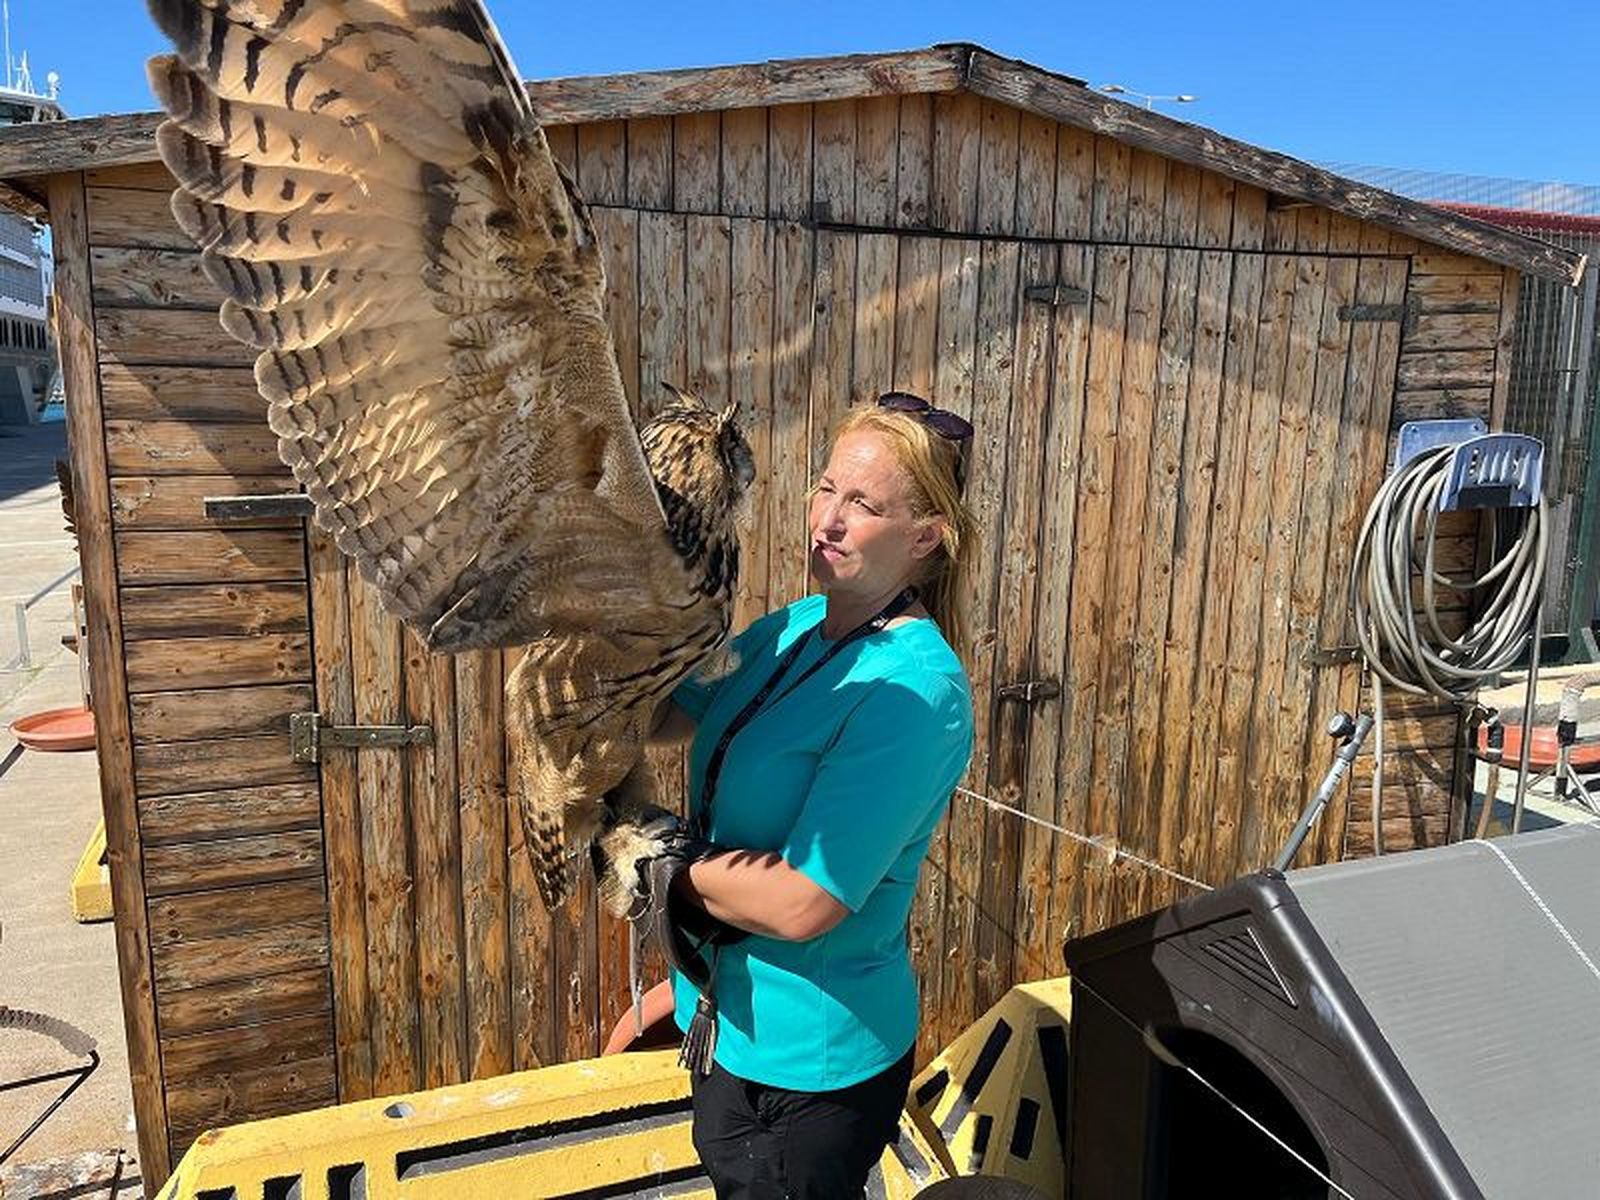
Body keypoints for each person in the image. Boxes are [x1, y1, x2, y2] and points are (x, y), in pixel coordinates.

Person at [643, 392, 978, 1199]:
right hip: (727, 1026)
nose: (826, 519)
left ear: (926, 535)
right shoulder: (791, 627)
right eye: (826, 488)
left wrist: (661, 865)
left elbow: (804, 902)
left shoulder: (919, 692)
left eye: (861, 503)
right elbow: (661, 714)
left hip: (810, 1075)